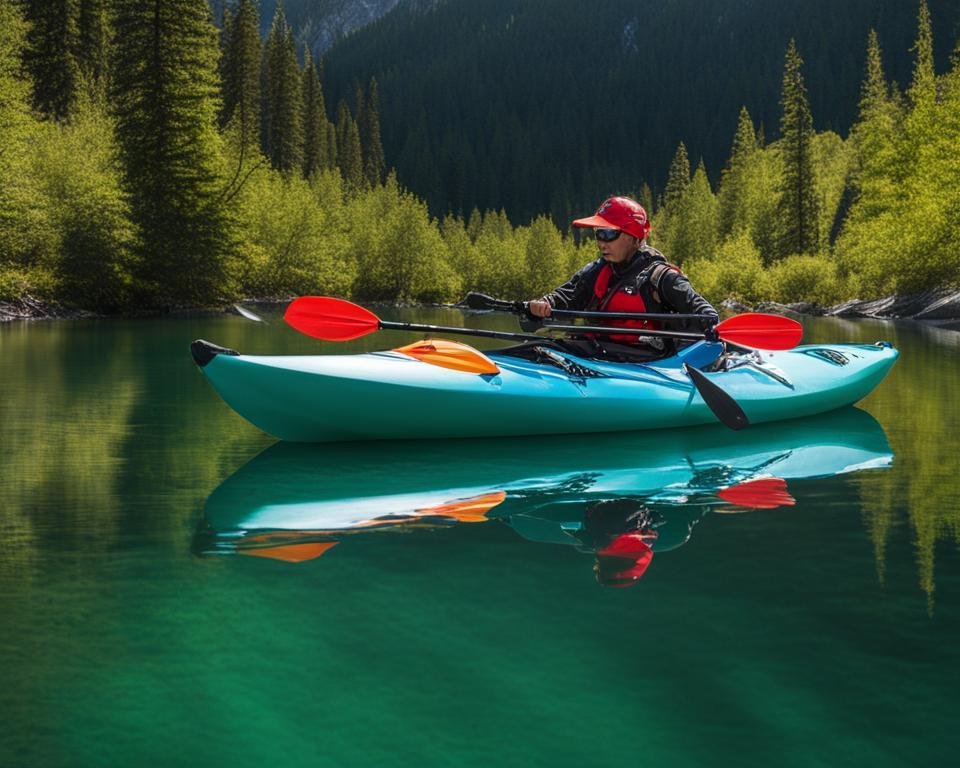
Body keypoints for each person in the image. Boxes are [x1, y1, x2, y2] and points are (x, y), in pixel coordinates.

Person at [527, 196, 719, 358]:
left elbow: (705, 313)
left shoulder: (662, 278)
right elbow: (565, 297)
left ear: (633, 235)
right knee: (536, 347)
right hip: (596, 356)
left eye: (609, 233)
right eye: (598, 234)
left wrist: (710, 326)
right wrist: (542, 304)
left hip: (645, 364)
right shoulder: (596, 271)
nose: (602, 242)